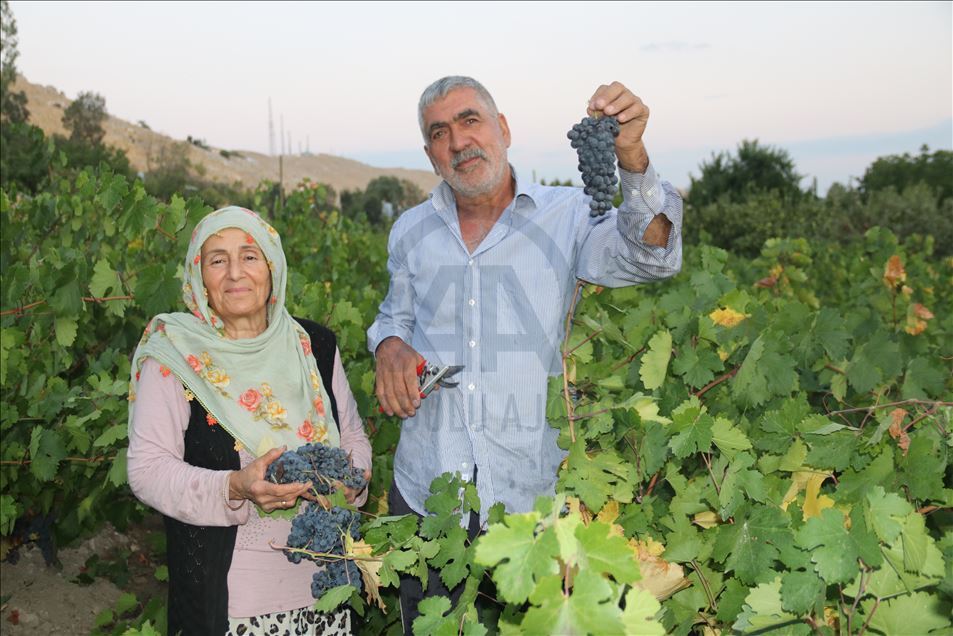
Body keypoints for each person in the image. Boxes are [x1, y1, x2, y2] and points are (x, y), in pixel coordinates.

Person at [367, 76, 683, 630]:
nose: (458, 141)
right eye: (440, 132)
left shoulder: (568, 216)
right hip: (425, 499)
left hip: (531, 504)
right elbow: (395, 316)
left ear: (503, 129)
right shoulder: (410, 230)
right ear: (429, 153)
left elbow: (651, 257)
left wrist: (631, 156)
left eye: (470, 121)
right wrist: (389, 344)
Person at [127, 206, 372, 636]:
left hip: (326, 593)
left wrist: (354, 478)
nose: (235, 273)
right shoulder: (174, 356)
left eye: (250, 256)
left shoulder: (312, 344)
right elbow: (146, 471)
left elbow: (351, 432)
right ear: (199, 277)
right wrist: (234, 487)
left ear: (272, 267)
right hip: (230, 605)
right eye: (217, 260)